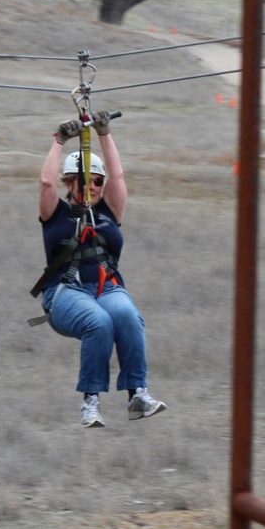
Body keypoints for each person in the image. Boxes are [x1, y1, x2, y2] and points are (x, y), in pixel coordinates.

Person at [34, 110, 166, 428]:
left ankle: (137, 395)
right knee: (99, 322)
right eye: (84, 180)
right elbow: (46, 182)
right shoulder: (55, 214)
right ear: (69, 183)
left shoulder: (109, 212)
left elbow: (117, 179)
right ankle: (90, 402)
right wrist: (59, 140)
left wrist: (104, 134)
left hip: (106, 288)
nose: (92, 186)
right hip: (65, 292)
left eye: (97, 181)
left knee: (128, 316)